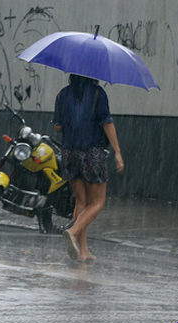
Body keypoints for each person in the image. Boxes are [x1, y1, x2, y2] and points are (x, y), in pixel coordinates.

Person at [53, 73, 125, 262]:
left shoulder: (62, 94)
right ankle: (73, 231)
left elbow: (58, 127)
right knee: (97, 203)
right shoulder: (97, 94)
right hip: (92, 152)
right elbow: (107, 123)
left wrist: (73, 119)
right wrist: (117, 152)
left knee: (81, 202)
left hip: (69, 153)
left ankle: (83, 250)